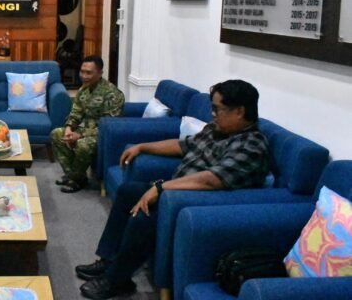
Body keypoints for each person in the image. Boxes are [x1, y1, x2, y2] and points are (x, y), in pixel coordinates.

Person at [76, 80, 270, 299]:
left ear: (239, 112)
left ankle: (117, 280)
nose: (213, 114)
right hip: (174, 192)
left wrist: (160, 188)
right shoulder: (216, 130)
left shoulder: (251, 145)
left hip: (193, 204)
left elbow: (212, 180)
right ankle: (108, 260)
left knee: (144, 216)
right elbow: (182, 145)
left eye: (217, 109)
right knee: (128, 191)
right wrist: (142, 147)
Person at [50, 55, 125, 193]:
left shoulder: (113, 94)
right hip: (82, 130)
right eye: (82, 71)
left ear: (100, 73)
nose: (84, 76)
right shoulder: (83, 89)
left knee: (83, 145)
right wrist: (69, 128)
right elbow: (75, 113)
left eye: (89, 73)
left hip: (101, 134)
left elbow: (109, 126)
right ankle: (74, 175)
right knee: (57, 134)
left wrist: (79, 135)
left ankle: (76, 180)